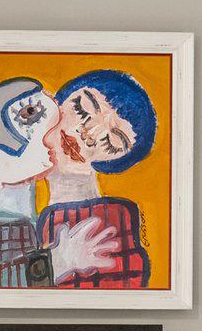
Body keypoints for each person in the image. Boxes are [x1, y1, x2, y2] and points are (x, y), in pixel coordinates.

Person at [0, 78, 118, 288]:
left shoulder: (29, 217)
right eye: (30, 114)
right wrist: (57, 262)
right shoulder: (2, 228)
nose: (53, 133)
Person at [36, 68, 157, 288]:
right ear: (57, 101)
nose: (88, 134)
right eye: (82, 110)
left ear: (113, 163)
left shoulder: (109, 230)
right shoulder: (17, 185)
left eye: (112, 142)